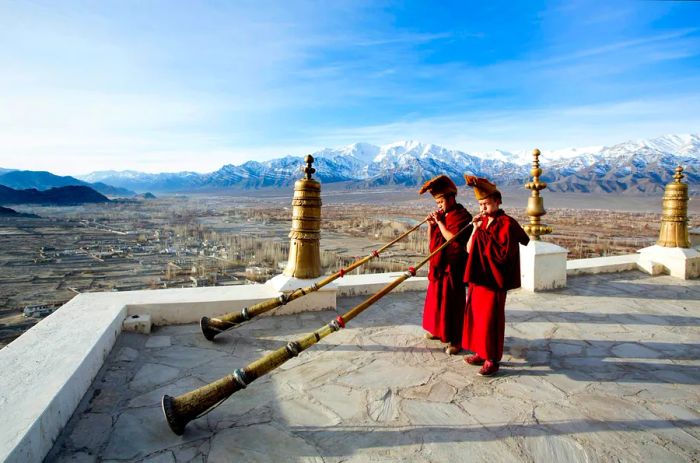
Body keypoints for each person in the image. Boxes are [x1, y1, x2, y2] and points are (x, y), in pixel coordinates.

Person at [461, 175, 530, 376]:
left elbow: (504, 255)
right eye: (481, 205)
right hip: (478, 279)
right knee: (477, 318)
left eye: (487, 204)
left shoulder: (507, 224)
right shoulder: (480, 224)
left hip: (495, 281)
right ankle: (480, 353)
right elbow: (469, 249)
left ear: (498, 202)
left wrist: (484, 235)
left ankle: (492, 358)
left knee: (491, 320)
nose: (483, 209)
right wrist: (475, 229)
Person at [419, 174, 473, 355]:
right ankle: (439, 331)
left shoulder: (463, 216)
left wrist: (440, 223)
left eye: (441, 201)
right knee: (437, 301)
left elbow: (453, 240)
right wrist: (430, 225)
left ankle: (456, 340)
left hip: (454, 267)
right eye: (437, 203)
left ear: (451, 198)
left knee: (452, 304)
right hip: (439, 265)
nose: (439, 206)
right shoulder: (444, 215)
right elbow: (432, 243)